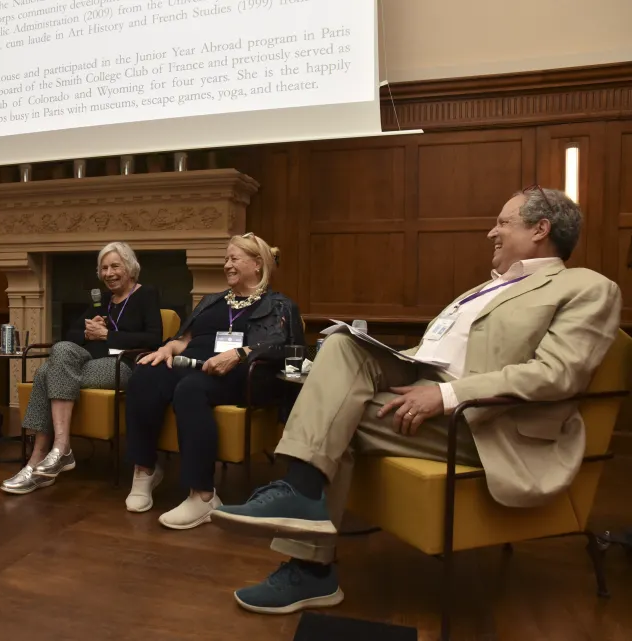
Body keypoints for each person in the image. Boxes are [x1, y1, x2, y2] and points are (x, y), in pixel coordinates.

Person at [210, 187, 621, 614]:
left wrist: (444, 395)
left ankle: (309, 558)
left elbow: (557, 374)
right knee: (339, 347)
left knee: (334, 414)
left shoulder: (587, 288)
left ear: (541, 229)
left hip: (486, 424)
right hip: (424, 384)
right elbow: (436, 351)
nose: (490, 233)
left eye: (503, 222)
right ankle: (302, 499)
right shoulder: (484, 289)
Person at [124, 233, 305, 529]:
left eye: (234, 259)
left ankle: (203, 496)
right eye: (226, 259)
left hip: (242, 374)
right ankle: (144, 469)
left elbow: (286, 347)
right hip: (192, 362)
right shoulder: (212, 301)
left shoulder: (280, 304)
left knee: (191, 389)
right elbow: (186, 338)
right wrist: (168, 348)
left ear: (257, 264)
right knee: (144, 375)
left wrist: (239, 352)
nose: (227, 265)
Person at [1, 242, 163, 494]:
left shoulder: (146, 294)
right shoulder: (103, 300)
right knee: (61, 351)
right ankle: (58, 451)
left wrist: (107, 335)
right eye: (104, 268)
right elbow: (71, 334)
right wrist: (89, 331)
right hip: (90, 362)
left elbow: (153, 338)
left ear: (130, 267)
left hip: (125, 366)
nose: (108, 273)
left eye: (114, 266)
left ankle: (38, 461)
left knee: (45, 373)